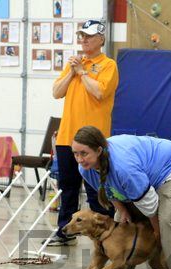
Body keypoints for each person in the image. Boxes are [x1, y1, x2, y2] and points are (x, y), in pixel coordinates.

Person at [72, 126, 171, 269]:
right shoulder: (84, 169)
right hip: (142, 175)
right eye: (75, 154)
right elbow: (109, 190)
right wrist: (123, 210)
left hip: (169, 169)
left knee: (167, 225)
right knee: (120, 223)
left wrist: (157, 232)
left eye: (84, 153)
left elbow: (150, 206)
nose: (79, 159)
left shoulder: (124, 168)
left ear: (99, 150)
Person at [49, 20, 119, 246]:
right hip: (67, 137)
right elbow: (57, 92)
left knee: (95, 189)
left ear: (100, 39)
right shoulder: (74, 64)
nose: (84, 40)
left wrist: (83, 73)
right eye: (81, 36)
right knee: (67, 187)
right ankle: (65, 231)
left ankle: (104, 234)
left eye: (88, 36)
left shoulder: (108, 65)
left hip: (92, 140)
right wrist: (72, 72)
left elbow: (99, 92)